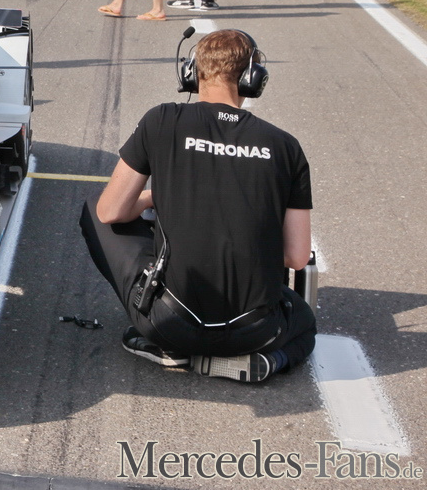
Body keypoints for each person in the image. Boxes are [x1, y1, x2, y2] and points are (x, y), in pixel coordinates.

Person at [82, 29, 316, 384]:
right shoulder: (285, 146)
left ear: (191, 72)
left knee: (93, 210)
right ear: (252, 77)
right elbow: (297, 258)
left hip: (168, 323)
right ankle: (269, 362)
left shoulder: (162, 120)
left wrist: (155, 197)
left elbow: (109, 212)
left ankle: (166, 348)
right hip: (253, 331)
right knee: (305, 324)